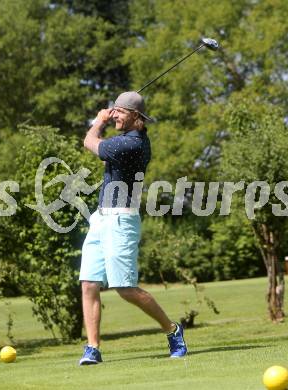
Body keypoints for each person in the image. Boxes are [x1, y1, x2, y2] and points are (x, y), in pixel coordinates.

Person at [79, 91, 187, 365]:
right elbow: (103, 154)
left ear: (135, 116)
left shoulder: (133, 143)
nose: (114, 114)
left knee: (125, 288)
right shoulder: (124, 141)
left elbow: (90, 142)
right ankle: (93, 348)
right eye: (113, 110)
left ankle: (172, 330)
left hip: (120, 221)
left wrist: (99, 120)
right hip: (101, 218)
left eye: (120, 112)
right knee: (89, 283)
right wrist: (106, 119)